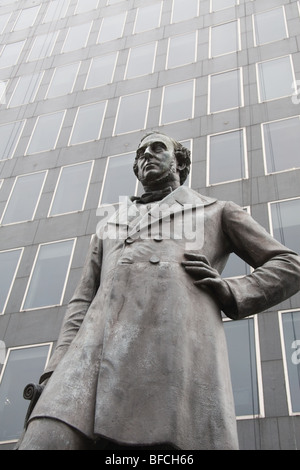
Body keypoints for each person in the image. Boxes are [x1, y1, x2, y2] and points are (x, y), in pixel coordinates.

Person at [18, 132, 300, 450]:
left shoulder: (216, 211)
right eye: (140, 153)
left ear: (179, 162)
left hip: (166, 361)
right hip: (86, 361)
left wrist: (230, 290)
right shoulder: (109, 226)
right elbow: (82, 300)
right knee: (43, 440)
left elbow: (289, 265)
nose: (146, 155)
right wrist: (52, 372)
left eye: (157, 148)